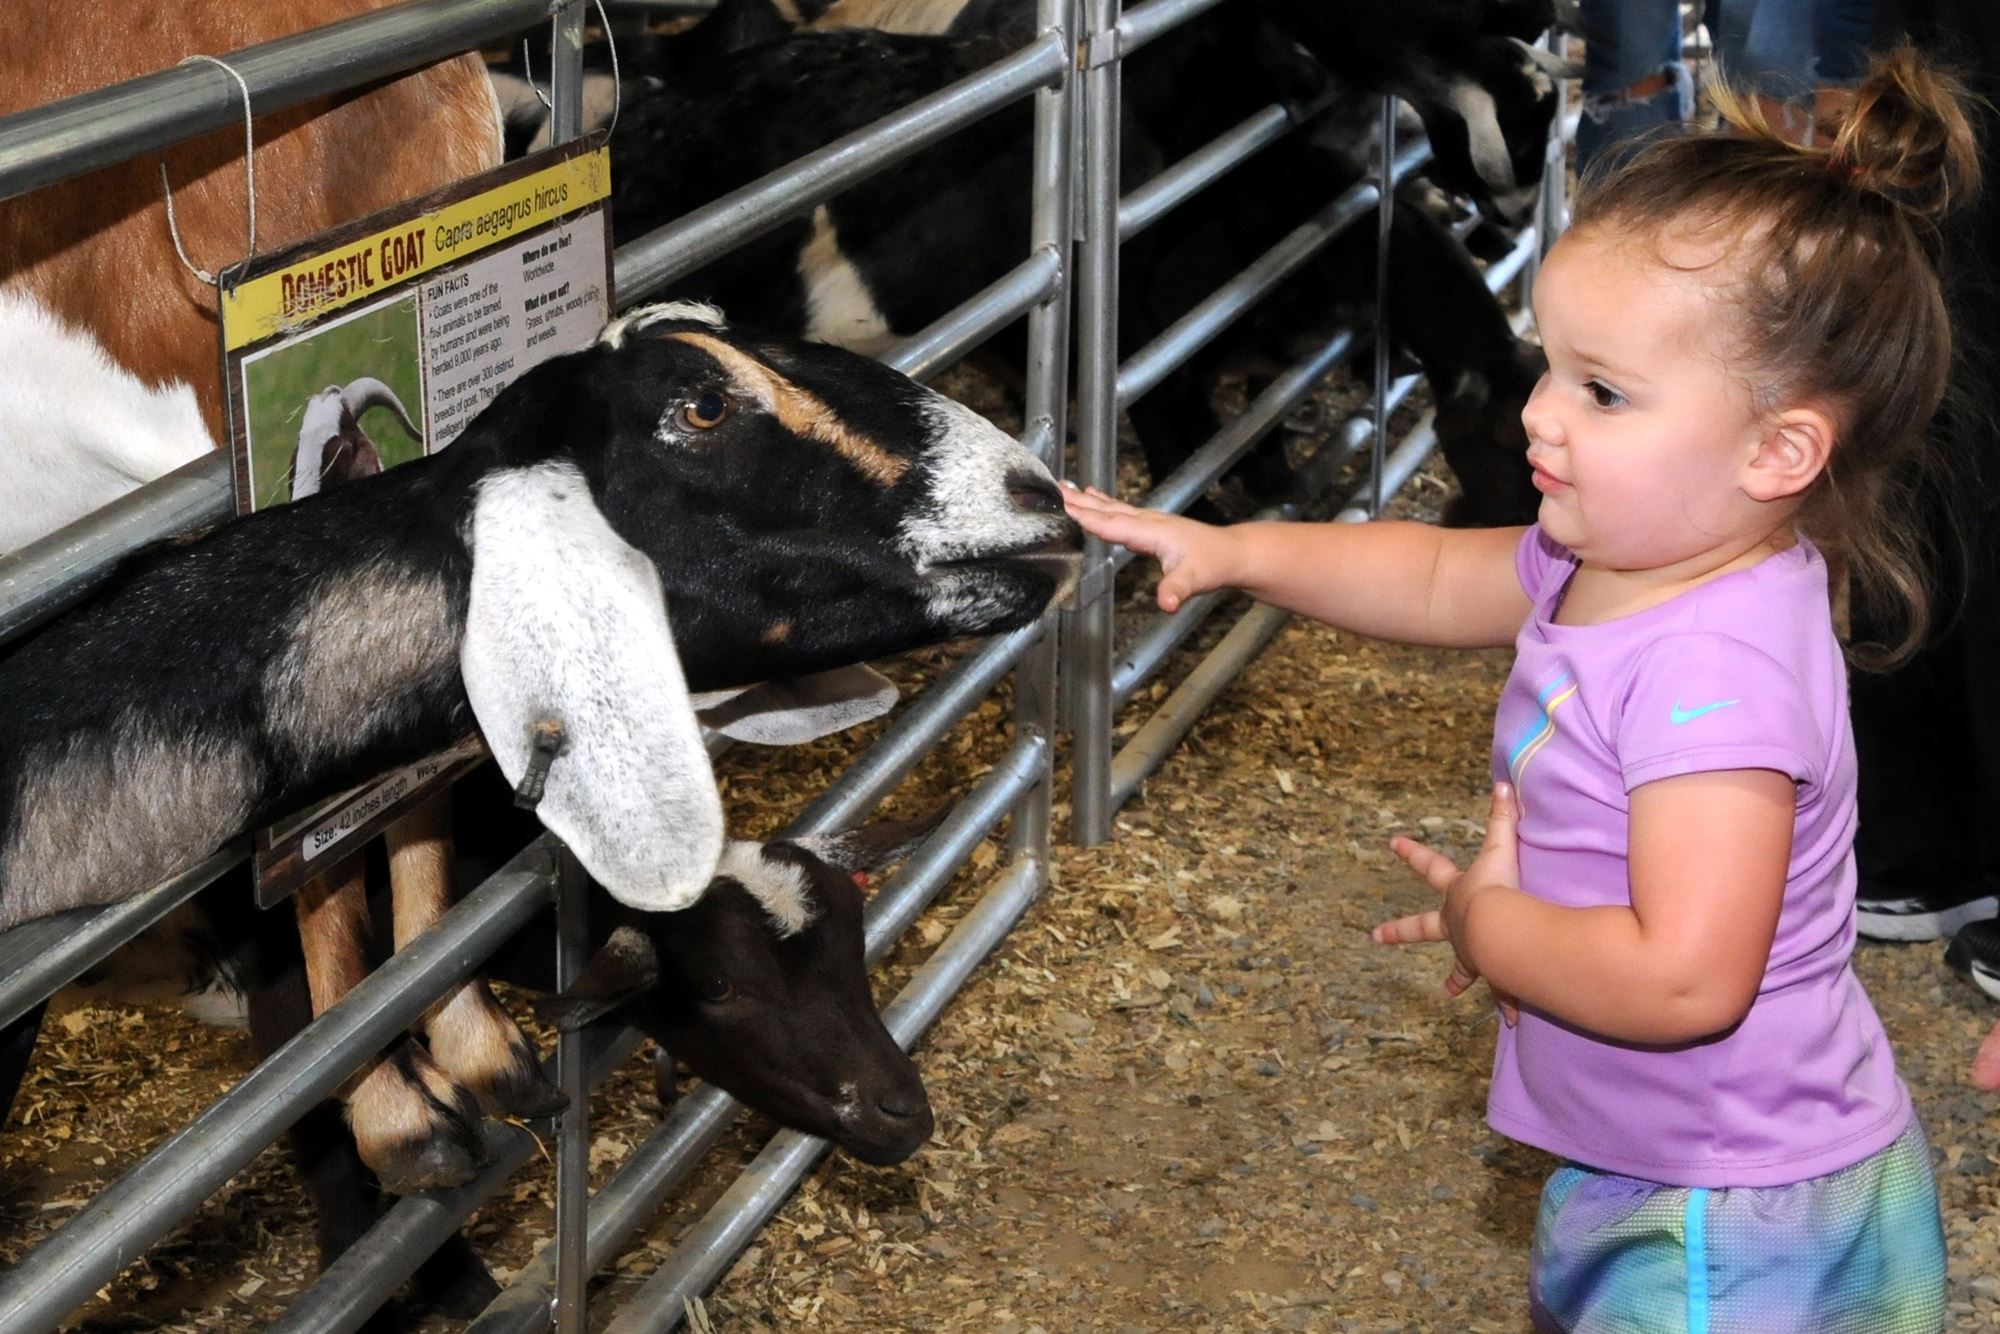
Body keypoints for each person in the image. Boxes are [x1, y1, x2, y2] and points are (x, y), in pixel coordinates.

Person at [1064, 48, 1976, 1331]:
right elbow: (1437, 579)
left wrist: (1500, 929)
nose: (1538, 414)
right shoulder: (1618, 552)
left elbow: (1682, 980)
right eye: (1551, 362)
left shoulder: (1710, 676)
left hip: (1731, 1219)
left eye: (1601, 390)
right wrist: (1233, 551)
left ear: (1776, 452)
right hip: (1659, 1158)